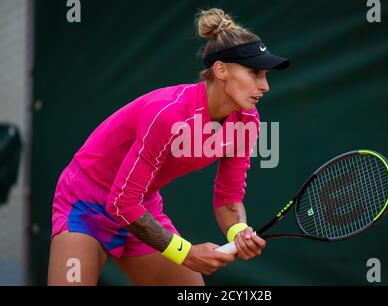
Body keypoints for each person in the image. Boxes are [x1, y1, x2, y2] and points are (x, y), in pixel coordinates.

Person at [47, 8, 290, 286]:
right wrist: (185, 253)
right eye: (255, 73)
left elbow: (228, 198)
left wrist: (238, 231)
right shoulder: (168, 114)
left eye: (266, 75)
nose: (265, 86)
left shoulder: (247, 121)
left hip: (140, 209)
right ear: (221, 70)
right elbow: (120, 202)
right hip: (85, 203)